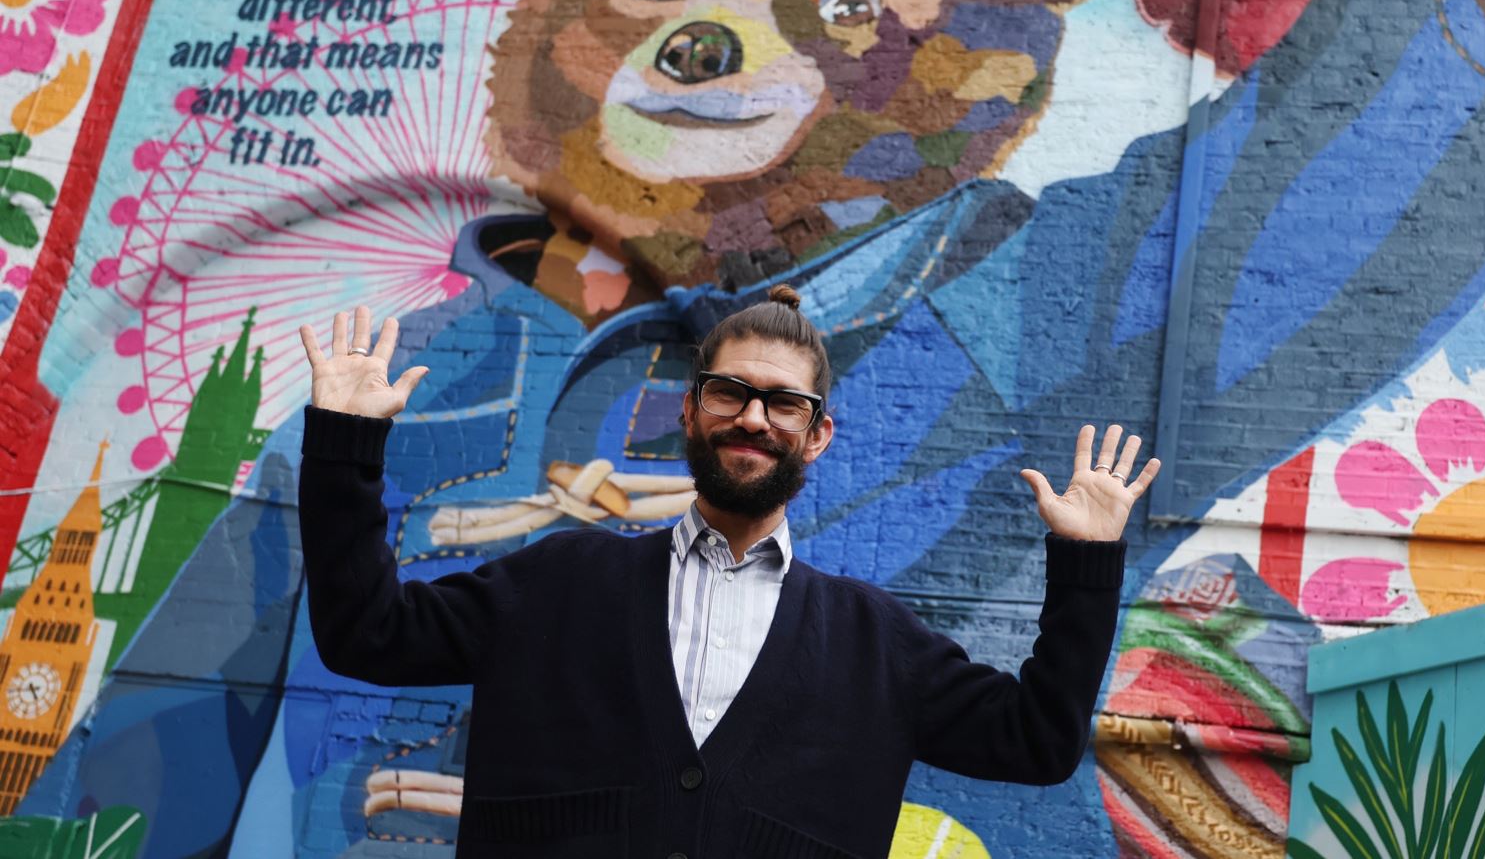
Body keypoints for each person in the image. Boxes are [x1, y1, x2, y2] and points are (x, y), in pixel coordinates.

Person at [296, 296, 1161, 858]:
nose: (754, 415)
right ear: (690, 409)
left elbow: (1040, 743)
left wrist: (1085, 563)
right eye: (729, 391)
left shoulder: (877, 643)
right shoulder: (557, 580)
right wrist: (345, 444)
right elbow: (364, 631)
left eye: (784, 402)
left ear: (817, 435)